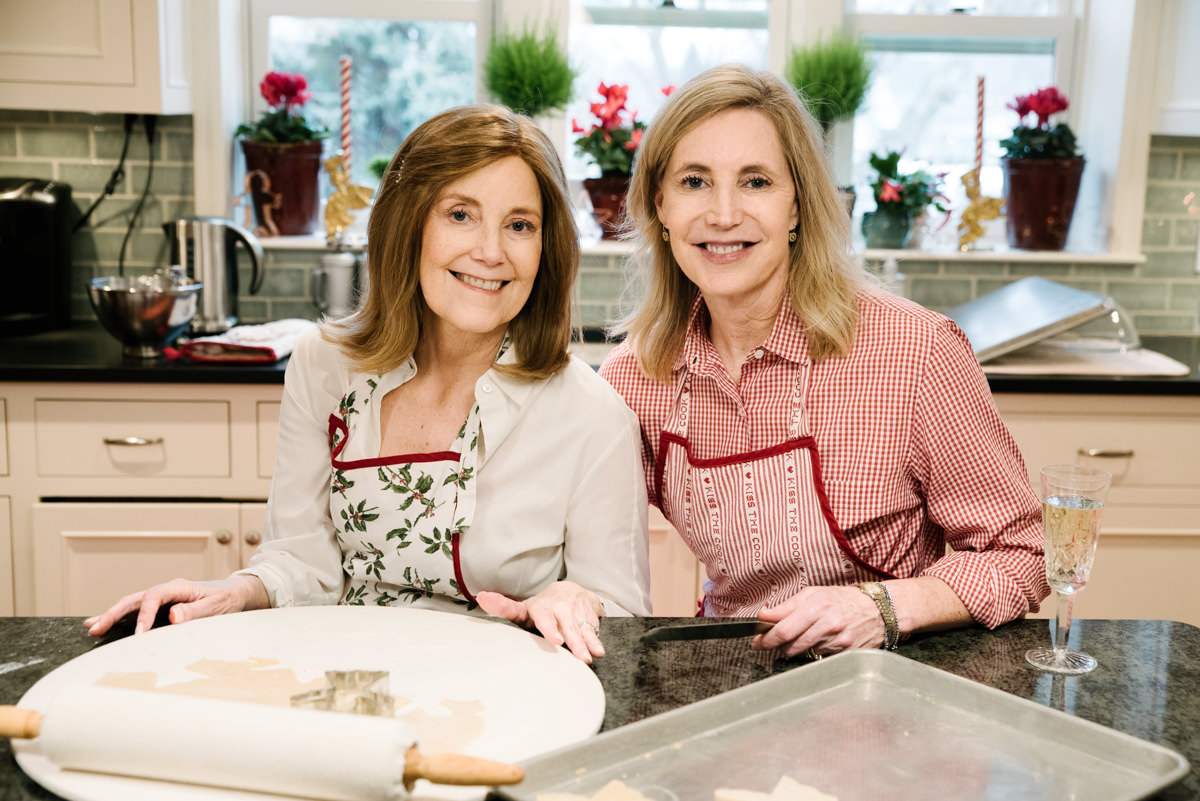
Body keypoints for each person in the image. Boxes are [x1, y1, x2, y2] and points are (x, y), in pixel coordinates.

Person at [86, 105, 652, 663]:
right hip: (342, 682)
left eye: (520, 225)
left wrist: (577, 598)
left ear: (546, 248)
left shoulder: (593, 417)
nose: (490, 251)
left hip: (501, 699)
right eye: (460, 214)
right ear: (409, 225)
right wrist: (237, 591)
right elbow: (302, 561)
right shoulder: (324, 367)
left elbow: (620, 613)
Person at [599, 65, 1049, 660]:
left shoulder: (913, 351)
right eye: (694, 181)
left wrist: (882, 608)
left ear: (797, 207)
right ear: (660, 206)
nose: (724, 213)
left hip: (896, 677)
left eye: (755, 181)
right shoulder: (633, 381)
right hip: (737, 675)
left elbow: (1020, 555)